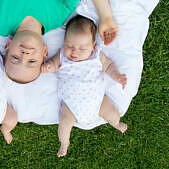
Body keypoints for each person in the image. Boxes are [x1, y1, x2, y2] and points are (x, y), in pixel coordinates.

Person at [0, 0, 118, 83]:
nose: (25, 55)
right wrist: (106, 17)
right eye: (32, 61)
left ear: (8, 46)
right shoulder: (58, 17)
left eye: (15, 58)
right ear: (45, 52)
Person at [42, 15, 127, 157]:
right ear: (64, 43)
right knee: (64, 122)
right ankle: (64, 143)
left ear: (93, 46)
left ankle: (116, 123)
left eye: (82, 48)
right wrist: (47, 67)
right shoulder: (62, 55)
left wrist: (117, 76)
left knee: (112, 112)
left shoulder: (96, 56)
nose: (74, 51)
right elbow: (54, 64)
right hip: (70, 106)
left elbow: (108, 66)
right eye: (70, 46)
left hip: (98, 102)